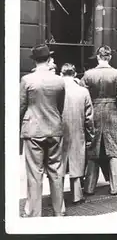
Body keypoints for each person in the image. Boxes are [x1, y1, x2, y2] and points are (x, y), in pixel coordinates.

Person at [20, 44, 66, 217]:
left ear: (34, 60)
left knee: (34, 173)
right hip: (54, 128)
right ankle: (58, 211)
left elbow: (21, 106)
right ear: (48, 59)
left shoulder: (27, 80)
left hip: (33, 130)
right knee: (56, 172)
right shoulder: (59, 81)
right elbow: (60, 106)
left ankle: (34, 214)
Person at [81, 45, 117, 196]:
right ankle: (115, 186)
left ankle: (89, 187)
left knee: (93, 148)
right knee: (112, 149)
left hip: (94, 110)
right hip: (112, 111)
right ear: (110, 57)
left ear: (98, 57)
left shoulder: (88, 75)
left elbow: (83, 95)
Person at [60, 63, 94, 205]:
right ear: (75, 74)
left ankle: (58, 197)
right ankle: (76, 196)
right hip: (77, 130)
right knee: (76, 162)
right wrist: (90, 135)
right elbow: (89, 117)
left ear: (61, 74)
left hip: (59, 131)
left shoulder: (57, 89)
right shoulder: (83, 92)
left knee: (58, 164)